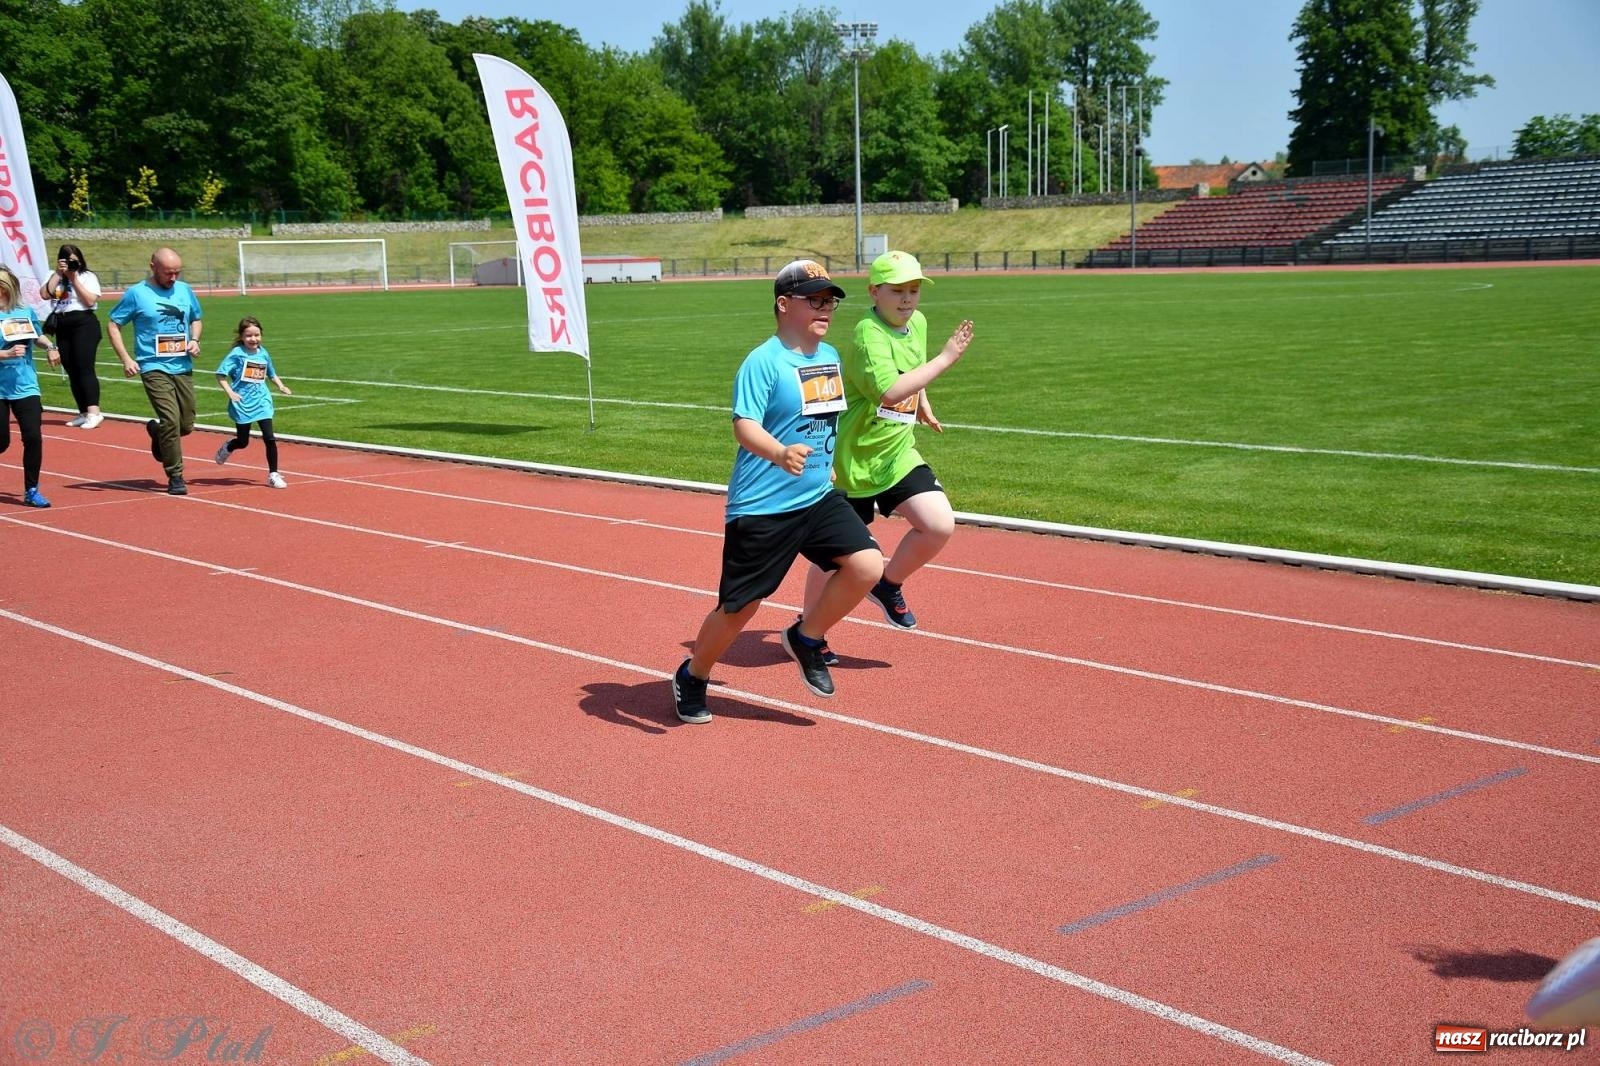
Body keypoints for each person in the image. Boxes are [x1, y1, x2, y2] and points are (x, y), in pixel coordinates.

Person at [672, 259, 885, 725]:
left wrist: (826, 465)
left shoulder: (828, 357)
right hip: (764, 505)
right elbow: (744, 425)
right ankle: (694, 673)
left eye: (829, 301)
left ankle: (806, 638)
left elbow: (824, 419)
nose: (825, 308)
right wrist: (779, 453)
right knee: (740, 608)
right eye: (815, 300)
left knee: (868, 565)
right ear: (784, 305)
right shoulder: (763, 361)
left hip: (814, 496)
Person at [799, 251, 974, 655]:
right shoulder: (867, 334)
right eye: (897, 291)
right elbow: (890, 391)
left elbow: (911, 374)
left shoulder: (918, 323)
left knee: (938, 525)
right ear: (874, 292)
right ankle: (811, 628)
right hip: (854, 459)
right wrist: (946, 359)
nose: (908, 299)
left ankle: (887, 583)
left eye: (914, 290)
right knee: (833, 558)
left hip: (897, 452)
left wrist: (924, 402)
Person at [107, 247, 203, 496]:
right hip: (153, 365)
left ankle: (158, 432)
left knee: (186, 424)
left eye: (177, 273)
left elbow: (196, 318)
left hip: (182, 365)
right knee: (171, 420)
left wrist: (194, 339)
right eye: (168, 273)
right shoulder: (137, 294)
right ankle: (176, 476)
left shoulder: (184, 290)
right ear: (152, 267)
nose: (173, 278)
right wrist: (126, 358)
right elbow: (114, 324)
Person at [0, 266, 63, 507]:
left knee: (33, 437)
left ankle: (32, 489)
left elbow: (36, 335)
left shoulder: (23, 312)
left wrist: (50, 347)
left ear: (9, 289)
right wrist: (4, 355)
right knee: (1, 442)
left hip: (26, 385)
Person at [213, 316, 292, 488]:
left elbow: (271, 373)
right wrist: (231, 393)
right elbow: (220, 375)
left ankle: (273, 474)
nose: (253, 339)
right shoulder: (237, 354)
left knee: (269, 438)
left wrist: (281, 386)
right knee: (243, 441)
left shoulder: (263, 352)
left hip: (262, 400)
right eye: (249, 336)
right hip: (242, 402)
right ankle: (229, 446)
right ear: (241, 337)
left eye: (256, 335)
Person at [41, 243, 105, 429]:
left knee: (84, 367)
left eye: (73, 260)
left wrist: (74, 278)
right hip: (62, 323)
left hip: (83, 322)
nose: (70, 264)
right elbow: (45, 294)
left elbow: (90, 300)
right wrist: (59, 274)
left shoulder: (87, 276)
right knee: (70, 368)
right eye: (66, 260)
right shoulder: (53, 275)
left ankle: (94, 412)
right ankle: (83, 412)